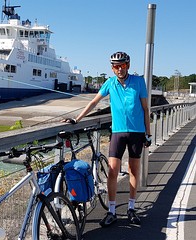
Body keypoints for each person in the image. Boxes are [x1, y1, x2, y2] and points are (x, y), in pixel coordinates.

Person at [62, 51, 152, 227]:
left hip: (136, 132)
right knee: (112, 171)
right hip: (118, 132)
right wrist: (76, 119)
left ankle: (131, 208)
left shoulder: (139, 82)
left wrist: (148, 134)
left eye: (123, 65)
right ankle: (111, 211)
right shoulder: (110, 83)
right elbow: (94, 102)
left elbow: (145, 109)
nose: (119, 69)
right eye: (116, 66)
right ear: (112, 68)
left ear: (128, 65)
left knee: (134, 171)